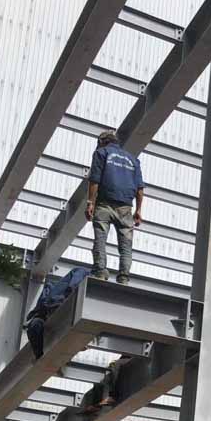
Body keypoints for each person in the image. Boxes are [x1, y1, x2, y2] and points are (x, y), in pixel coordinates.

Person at [86, 129, 144, 284]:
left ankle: (100, 271)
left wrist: (90, 202)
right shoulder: (133, 160)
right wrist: (138, 210)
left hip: (104, 204)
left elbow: (94, 180)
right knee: (126, 246)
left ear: (101, 142)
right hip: (125, 208)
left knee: (100, 239)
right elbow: (140, 188)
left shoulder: (101, 153)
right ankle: (124, 276)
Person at [24, 266, 91, 359]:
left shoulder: (53, 289)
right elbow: (73, 285)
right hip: (55, 306)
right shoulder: (83, 271)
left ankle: (39, 355)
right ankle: (39, 355)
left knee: (35, 325)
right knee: (35, 325)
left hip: (53, 309)